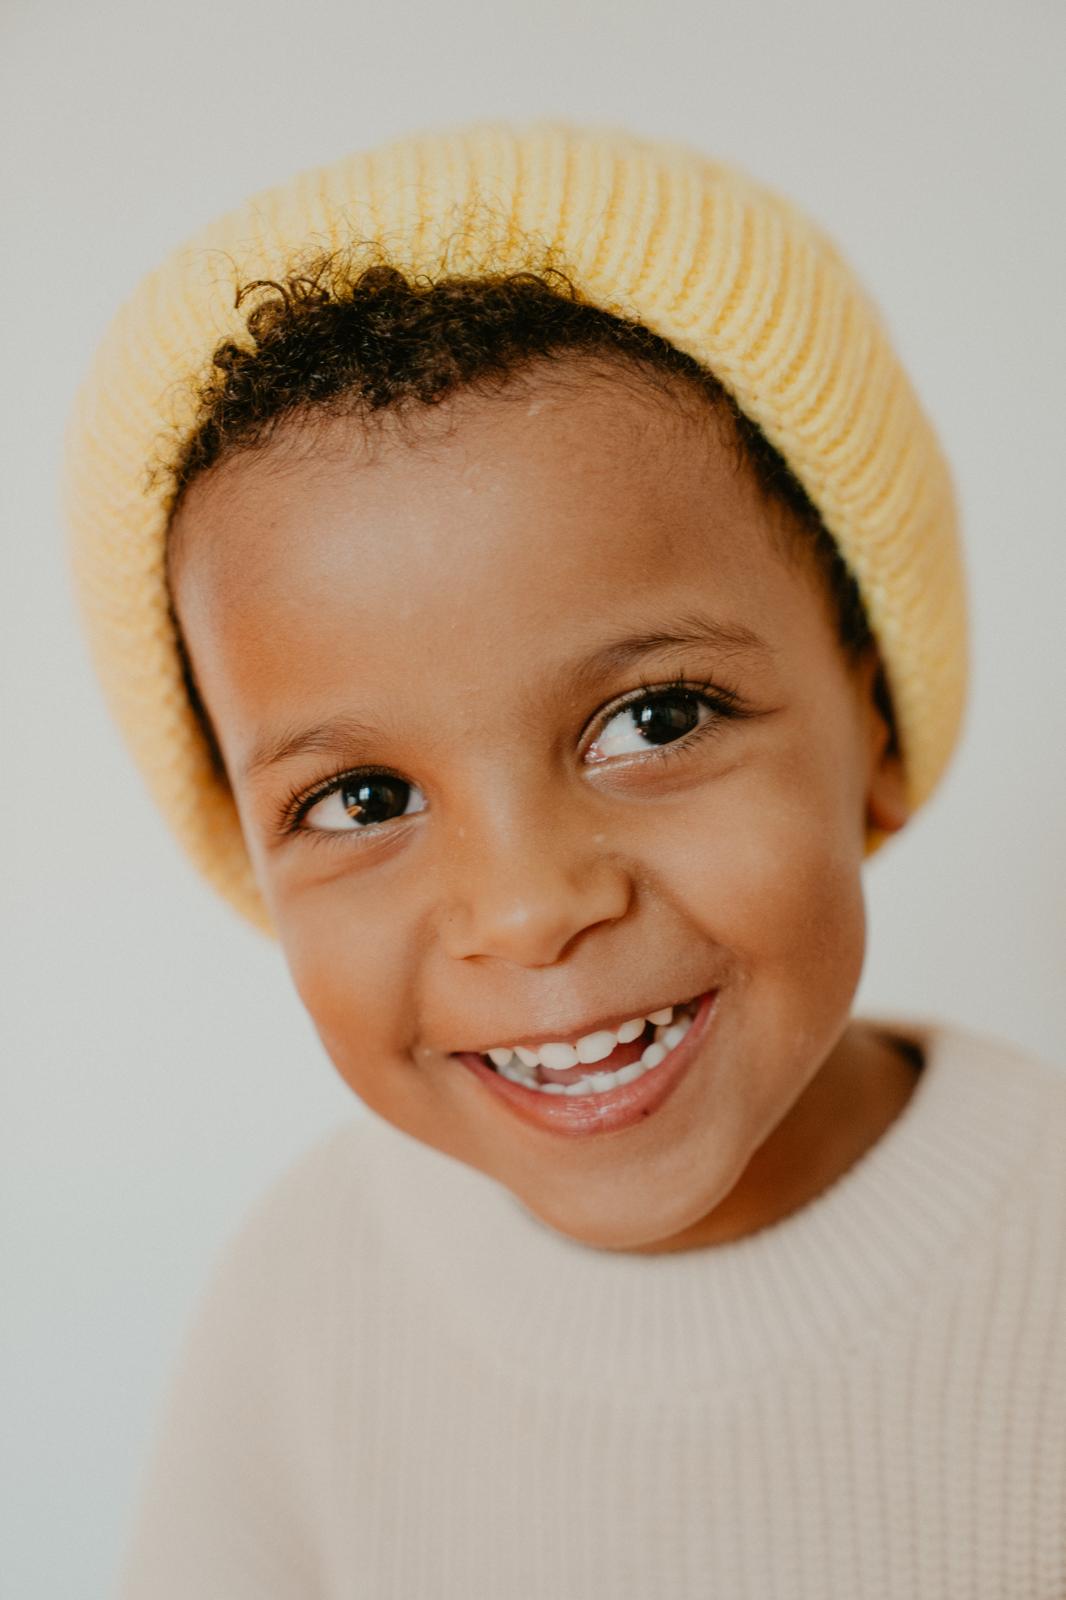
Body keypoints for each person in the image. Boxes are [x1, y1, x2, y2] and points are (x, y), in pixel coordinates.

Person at [65, 121, 1066, 1597]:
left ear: (877, 720)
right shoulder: (307, 1304)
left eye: (655, 719)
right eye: (360, 798)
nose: (530, 910)